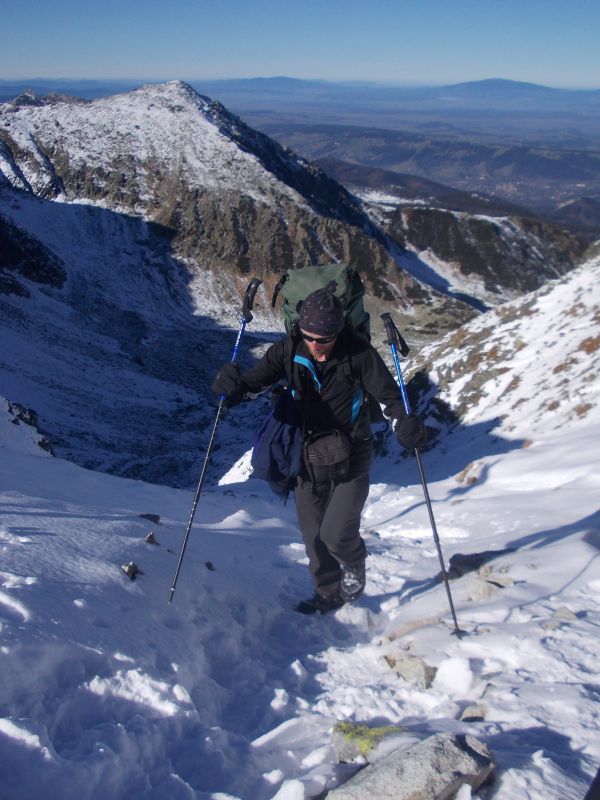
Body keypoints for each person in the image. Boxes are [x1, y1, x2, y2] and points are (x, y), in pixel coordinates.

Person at [211, 282, 427, 614]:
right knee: (314, 538)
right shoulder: (287, 350)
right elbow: (255, 383)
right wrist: (232, 388)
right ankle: (328, 594)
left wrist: (404, 424)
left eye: (324, 339)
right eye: (310, 337)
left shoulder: (359, 354)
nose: (316, 345)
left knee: (336, 534)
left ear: (339, 331)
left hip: (353, 457)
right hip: (306, 458)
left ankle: (354, 564)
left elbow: (390, 399)